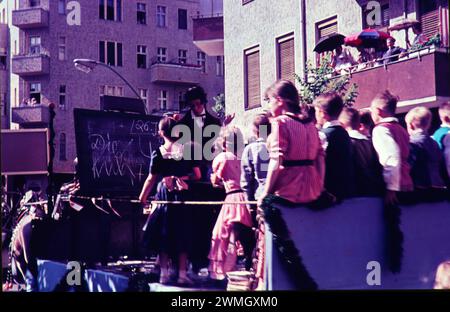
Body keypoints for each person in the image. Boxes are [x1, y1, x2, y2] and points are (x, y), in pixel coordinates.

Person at [139, 116, 201, 285]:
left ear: (161, 133)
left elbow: (151, 178)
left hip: (164, 194)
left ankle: (164, 274)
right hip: (181, 194)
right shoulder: (187, 150)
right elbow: (197, 175)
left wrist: (142, 197)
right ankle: (182, 274)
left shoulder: (158, 153)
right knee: (182, 233)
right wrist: (182, 177)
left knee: (164, 234)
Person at [258, 79, 325, 206]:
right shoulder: (311, 124)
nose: (269, 105)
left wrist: (266, 193)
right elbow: (320, 158)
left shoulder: (281, 123)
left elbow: (276, 160)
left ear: (279, 100)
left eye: (270, 100)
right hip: (312, 190)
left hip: (287, 190)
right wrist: (320, 185)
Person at [208, 126, 253, 281]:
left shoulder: (223, 158)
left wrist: (218, 181)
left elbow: (215, 181)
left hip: (232, 198)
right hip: (246, 198)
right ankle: (246, 269)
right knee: (244, 237)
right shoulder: (244, 155)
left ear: (225, 141)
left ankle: (222, 272)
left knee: (221, 235)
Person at [240, 113, 271, 289]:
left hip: (259, 198)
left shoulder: (251, 149)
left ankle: (261, 279)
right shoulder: (275, 145)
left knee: (261, 240)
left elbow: (246, 181)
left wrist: (248, 204)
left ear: (255, 130)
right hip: (278, 196)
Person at [370, 91, 414, 205]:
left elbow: (392, 157)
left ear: (377, 111)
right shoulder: (401, 129)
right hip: (406, 180)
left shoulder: (380, 129)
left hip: (393, 186)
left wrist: (391, 188)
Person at [314, 92, 355, 200]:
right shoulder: (345, 133)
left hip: (330, 191)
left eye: (316, 111)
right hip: (346, 189)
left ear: (322, 113)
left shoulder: (323, 135)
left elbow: (319, 162)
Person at [339, 107, 384, 196]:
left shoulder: (348, 143)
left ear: (342, 124)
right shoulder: (370, 142)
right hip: (374, 189)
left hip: (357, 191)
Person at [405, 106, 447, 193]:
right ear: (428, 124)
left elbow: (408, 166)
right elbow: (442, 166)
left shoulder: (412, 143)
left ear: (410, 125)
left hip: (421, 188)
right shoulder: (434, 143)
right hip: (439, 186)